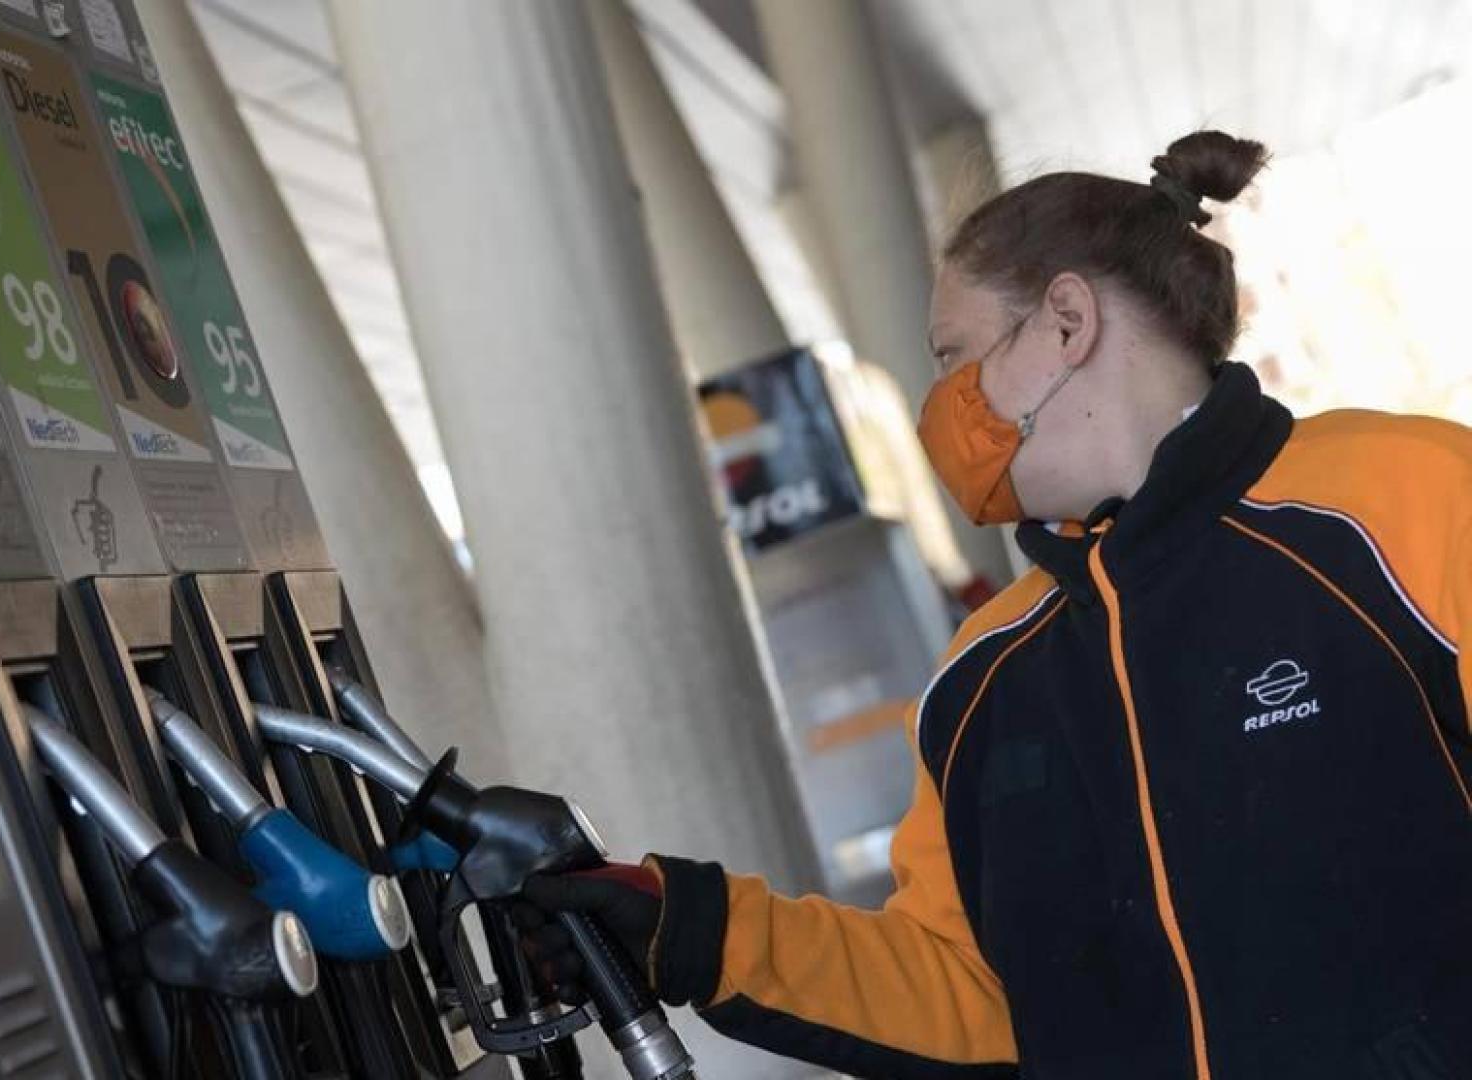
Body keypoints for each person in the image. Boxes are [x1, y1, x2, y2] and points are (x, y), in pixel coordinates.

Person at [519, 131, 1472, 1080]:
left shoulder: (1408, 502)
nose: (943, 405)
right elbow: (968, 995)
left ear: (1066, 321)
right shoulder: (981, 678)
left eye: (953, 356)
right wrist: (690, 929)